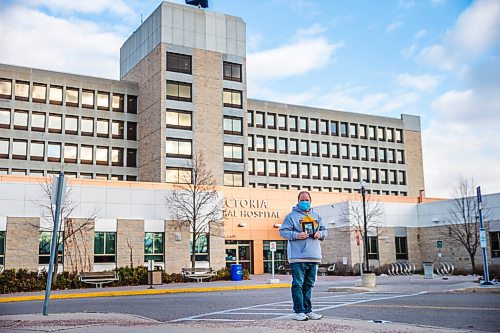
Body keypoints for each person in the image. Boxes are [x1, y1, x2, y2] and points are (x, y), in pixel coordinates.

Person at [279, 191, 327, 321]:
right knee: (298, 284)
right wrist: (297, 235)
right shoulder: (291, 216)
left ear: (310, 201)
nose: (304, 201)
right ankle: (299, 311)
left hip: (314, 256)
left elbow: (324, 231)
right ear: (298, 201)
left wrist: (320, 234)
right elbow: (282, 231)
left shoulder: (316, 216)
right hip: (298, 257)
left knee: (309, 284)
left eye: (306, 199)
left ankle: (308, 310)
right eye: (302, 199)